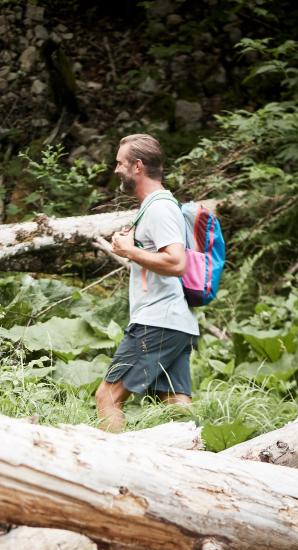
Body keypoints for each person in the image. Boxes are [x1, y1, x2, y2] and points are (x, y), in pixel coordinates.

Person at [95, 134, 200, 431]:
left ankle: (112, 472)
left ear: (137, 166)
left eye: (120, 163)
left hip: (156, 322)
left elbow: (176, 262)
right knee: (176, 405)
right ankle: (194, 465)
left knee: (107, 397)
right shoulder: (156, 206)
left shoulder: (160, 208)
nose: (116, 170)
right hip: (174, 323)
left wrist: (128, 250)